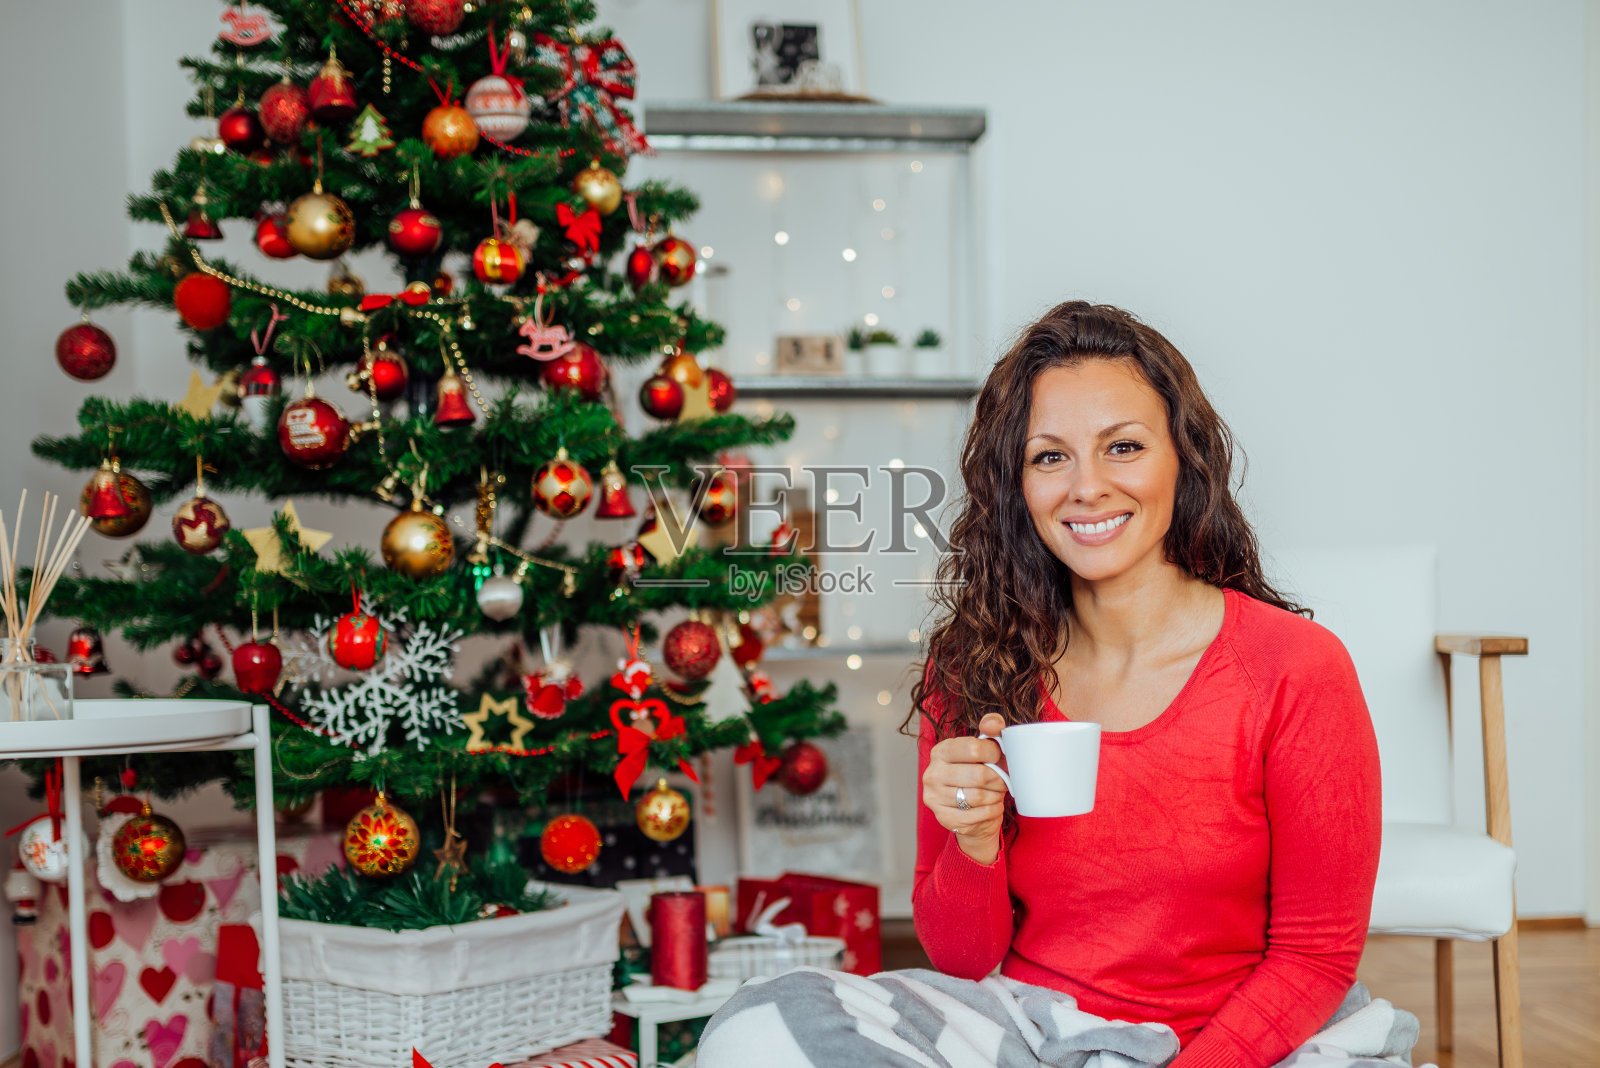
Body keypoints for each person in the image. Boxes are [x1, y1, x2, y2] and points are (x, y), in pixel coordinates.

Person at [698, 302, 1392, 1068]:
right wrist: (971, 840)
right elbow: (962, 959)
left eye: (1122, 447)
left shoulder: (1295, 667)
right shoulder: (975, 663)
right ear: (1016, 485)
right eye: (1049, 457)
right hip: (1032, 1030)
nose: (1086, 487)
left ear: (1183, 461)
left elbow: (1315, 958)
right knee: (753, 1033)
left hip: (1237, 1046)